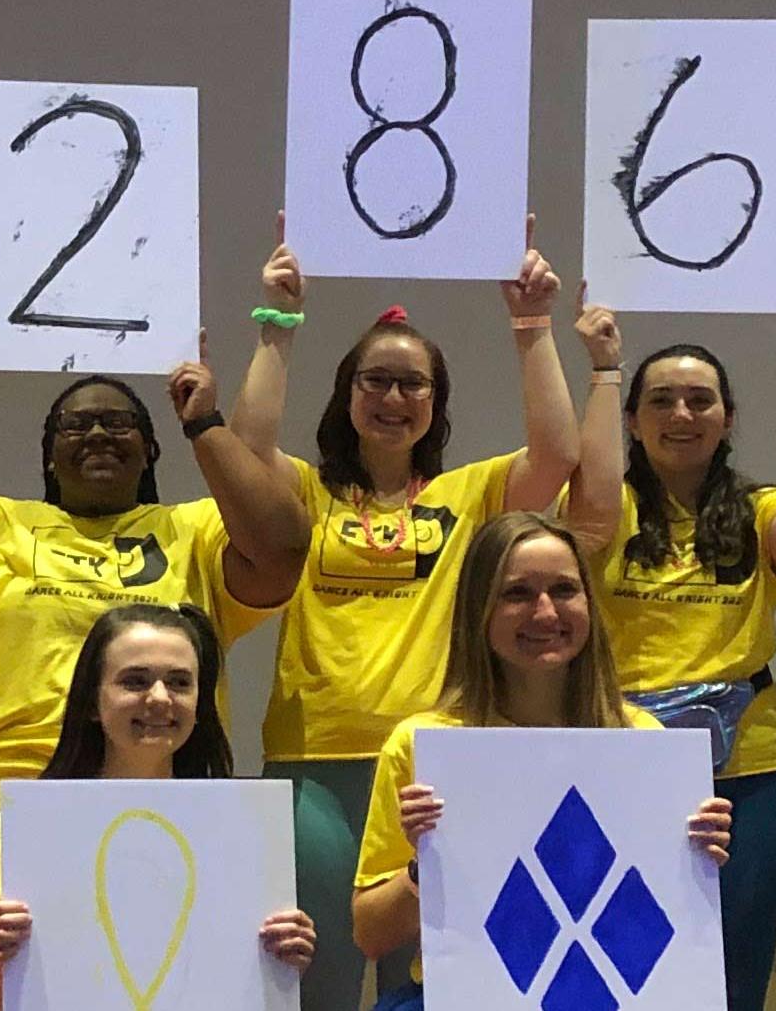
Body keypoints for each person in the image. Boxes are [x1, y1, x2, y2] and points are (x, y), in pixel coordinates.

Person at [0, 340, 305, 1011]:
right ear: (50, 453)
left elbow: (281, 548)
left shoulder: (194, 532)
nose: (97, 433)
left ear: (151, 449)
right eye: (76, 425)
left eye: (120, 422)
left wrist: (204, 424)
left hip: (160, 803)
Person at [227, 216, 598, 1008]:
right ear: (347, 394)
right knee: (318, 976)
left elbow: (560, 453)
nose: (393, 398)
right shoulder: (304, 488)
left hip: (439, 763)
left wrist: (531, 326)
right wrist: (278, 324)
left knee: (426, 978)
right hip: (315, 762)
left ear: (436, 402)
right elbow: (246, 453)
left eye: (412, 384)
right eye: (375, 381)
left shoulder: (471, 495)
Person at [351, 513, 739, 1009]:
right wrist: (425, 867)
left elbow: (653, 925)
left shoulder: (641, 741)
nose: (545, 612)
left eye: (563, 589)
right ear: (479, 611)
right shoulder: (422, 745)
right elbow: (370, 935)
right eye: (517, 594)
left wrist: (696, 856)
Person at [579, 303, 776, 1009]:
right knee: (619, 956)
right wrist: (606, 370)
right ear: (632, 420)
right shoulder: (608, 512)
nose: (682, 413)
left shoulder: (757, 512)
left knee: (738, 955)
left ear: (727, 419)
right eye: (660, 400)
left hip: (748, 767)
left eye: (702, 400)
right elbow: (593, 490)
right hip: (620, 758)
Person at [0, 604, 319, 1010]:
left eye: (179, 683)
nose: (159, 698)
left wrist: (285, 954)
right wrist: (1, 956)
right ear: (91, 701)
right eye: (135, 681)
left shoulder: (240, 832)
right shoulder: (27, 832)